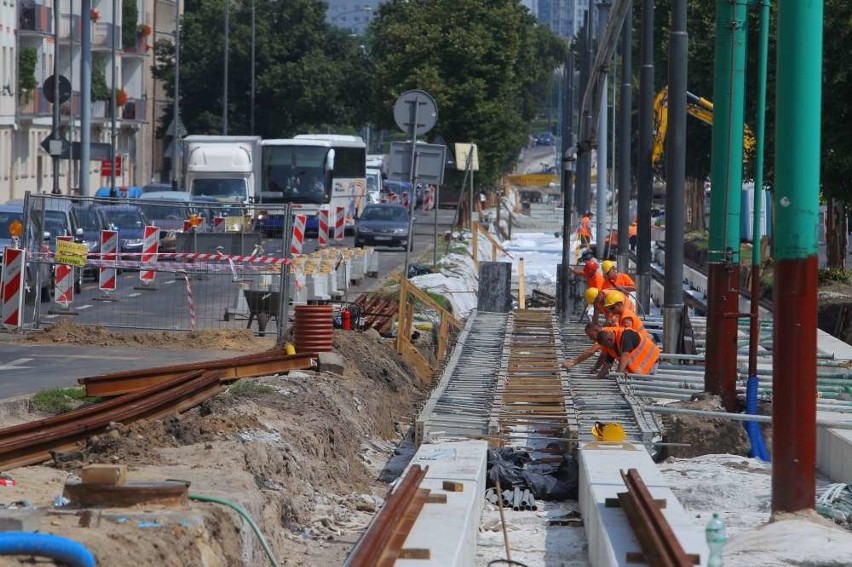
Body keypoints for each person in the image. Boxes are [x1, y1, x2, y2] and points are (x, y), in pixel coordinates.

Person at [596, 326, 660, 376]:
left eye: (606, 345)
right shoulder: (611, 346)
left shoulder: (626, 336)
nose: (606, 347)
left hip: (651, 362)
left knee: (645, 386)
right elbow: (607, 364)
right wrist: (598, 377)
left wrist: (618, 374)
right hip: (638, 370)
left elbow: (625, 355)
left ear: (610, 340)